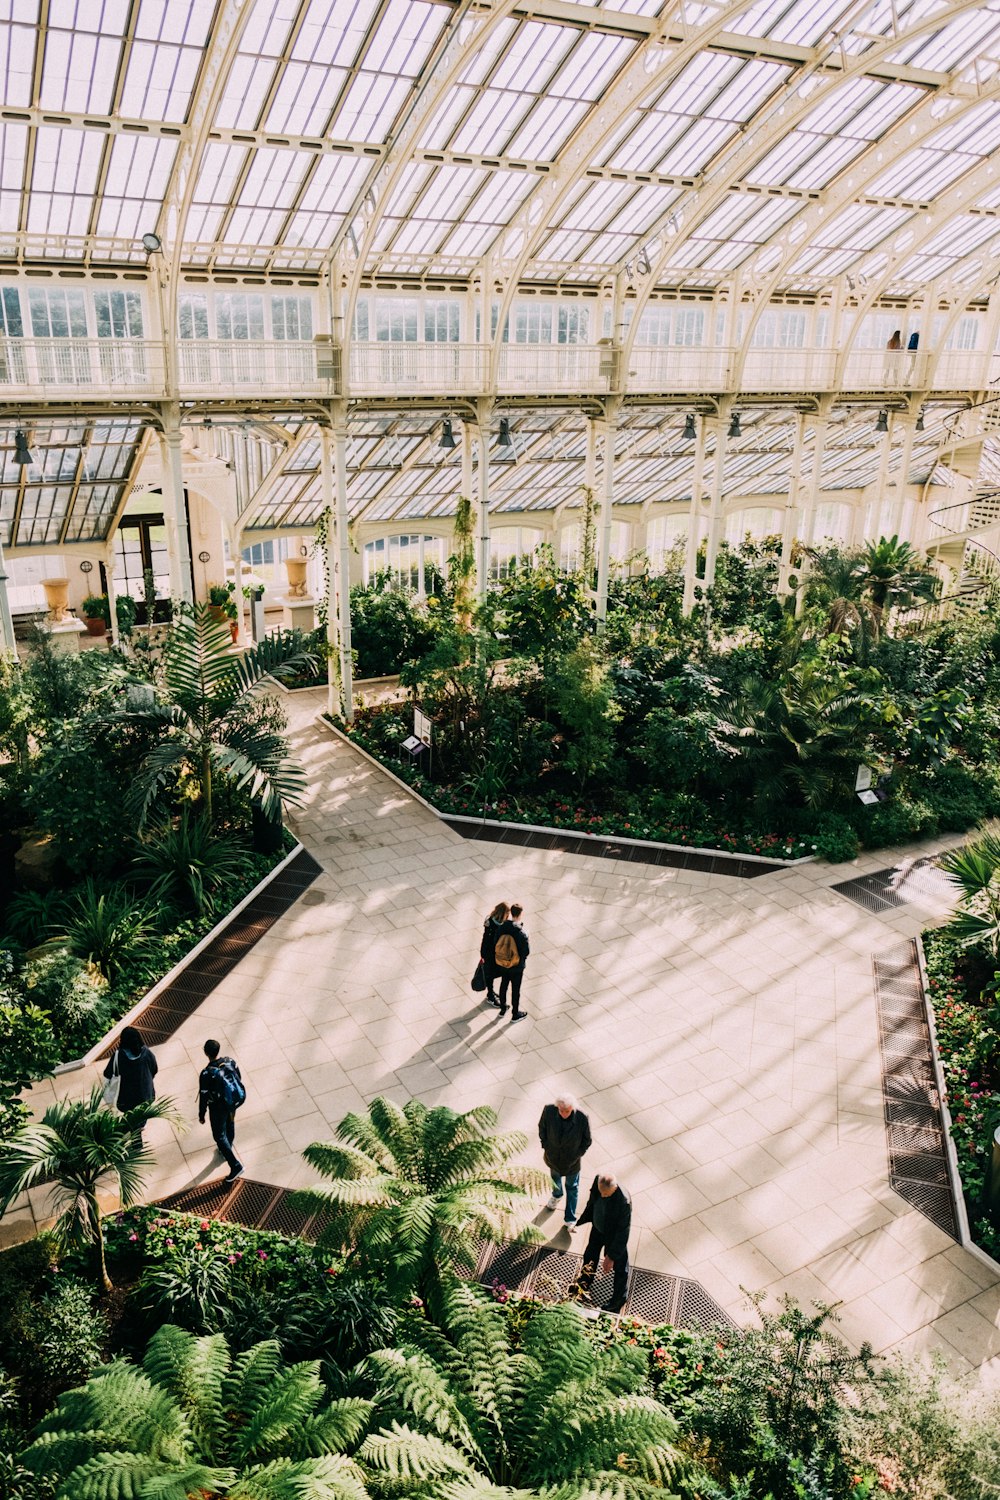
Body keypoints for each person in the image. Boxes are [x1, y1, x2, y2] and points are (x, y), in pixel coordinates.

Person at [572, 1172, 632, 1314]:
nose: (603, 1196)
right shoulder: (598, 1181)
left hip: (613, 1235)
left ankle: (617, 1300)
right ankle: (584, 1283)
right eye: (601, 1193)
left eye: (607, 1194)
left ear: (615, 1188)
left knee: (621, 1268)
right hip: (598, 1228)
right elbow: (592, 1202)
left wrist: (611, 1256)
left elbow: (623, 1231)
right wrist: (579, 1221)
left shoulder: (624, 1202)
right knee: (590, 1256)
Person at [539, 1094, 592, 1226]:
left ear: (572, 1108)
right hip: (553, 1158)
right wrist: (546, 1146)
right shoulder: (549, 1110)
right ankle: (557, 1195)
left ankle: (570, 1218)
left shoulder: (582, 1118)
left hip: (572, 1162)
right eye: (561, 1110)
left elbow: (587, 1140)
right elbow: (542, 1128)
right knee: (555, 1179)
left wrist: (577, 1155)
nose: (563, 1114)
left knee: (572, 1187)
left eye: (567, 1111)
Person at [198, 1039, 245, 1180]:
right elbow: (238, 1078)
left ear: (206, 1053)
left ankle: (235, 1165)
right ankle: (227, 1146)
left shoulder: (206, 1074)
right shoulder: (230, 1062)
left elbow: (204, 1095)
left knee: (218, 1135)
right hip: (232, 1103)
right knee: (230, 1123)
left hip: (218, 1108)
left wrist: (202, 1114)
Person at [103, 1026, 157, 1127]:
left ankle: (136, 1130)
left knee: (132, 1118)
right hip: (145, 1095)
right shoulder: (146, 1053)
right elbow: (154, 1069)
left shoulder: (118, 1056)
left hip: (126, 1099)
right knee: (141, 1115)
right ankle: (140, 1125)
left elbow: (107, 1074)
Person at [496, 902, 529, 1022]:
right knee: (516, 990)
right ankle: (515, 1014)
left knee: (503, 984)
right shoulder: (521, 933)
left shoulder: (502, 927)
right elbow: (526, 951)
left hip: (503, 963)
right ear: (520, 914)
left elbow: (496, 942)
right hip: (516, 966)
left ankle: (503, 1008)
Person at [480, 901, 509, 1008]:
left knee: (491, 974)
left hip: (487, 952)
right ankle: (490, 996)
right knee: (490, 974)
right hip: (491, 954)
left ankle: (491, 993)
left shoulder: (490, 921)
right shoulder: (498, 926)